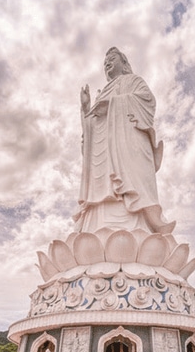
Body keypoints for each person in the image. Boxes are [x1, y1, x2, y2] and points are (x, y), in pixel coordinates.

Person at [75, 47, 174, 234]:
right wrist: (86, 108)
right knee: (100, 202)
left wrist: (112, 104)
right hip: (104, 160)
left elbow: (148, 102)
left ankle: (138, 228)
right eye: (105, 62)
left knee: (130, 196)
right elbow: (91, 131)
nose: (107, 63)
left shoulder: (134, 81)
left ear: (124, 63)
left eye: (112, 58)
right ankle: (95, 229)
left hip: (126, 149)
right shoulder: (101, 92)